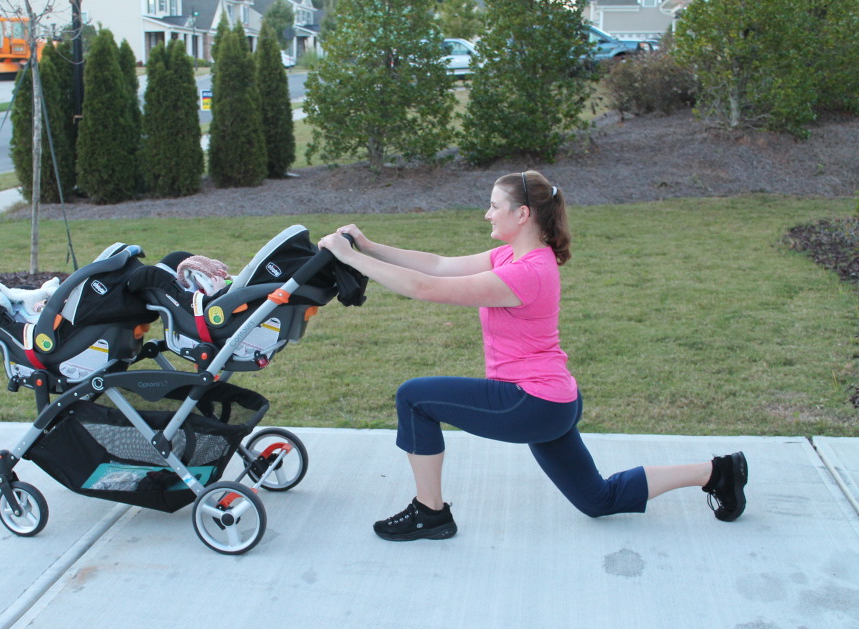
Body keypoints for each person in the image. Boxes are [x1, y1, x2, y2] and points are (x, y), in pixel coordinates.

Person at [317, 170, 748, 542]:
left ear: (521, 214)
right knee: (597, 500)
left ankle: (430, 513)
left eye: (493, 206)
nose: (487, 214)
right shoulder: (514, 256)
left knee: (414, 398)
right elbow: (439, 265)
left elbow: (425, 288)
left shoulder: (525, 273)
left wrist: (347, 256)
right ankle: (717, 472)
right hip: (553, 401)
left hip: (532, 401)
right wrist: (369, 247)